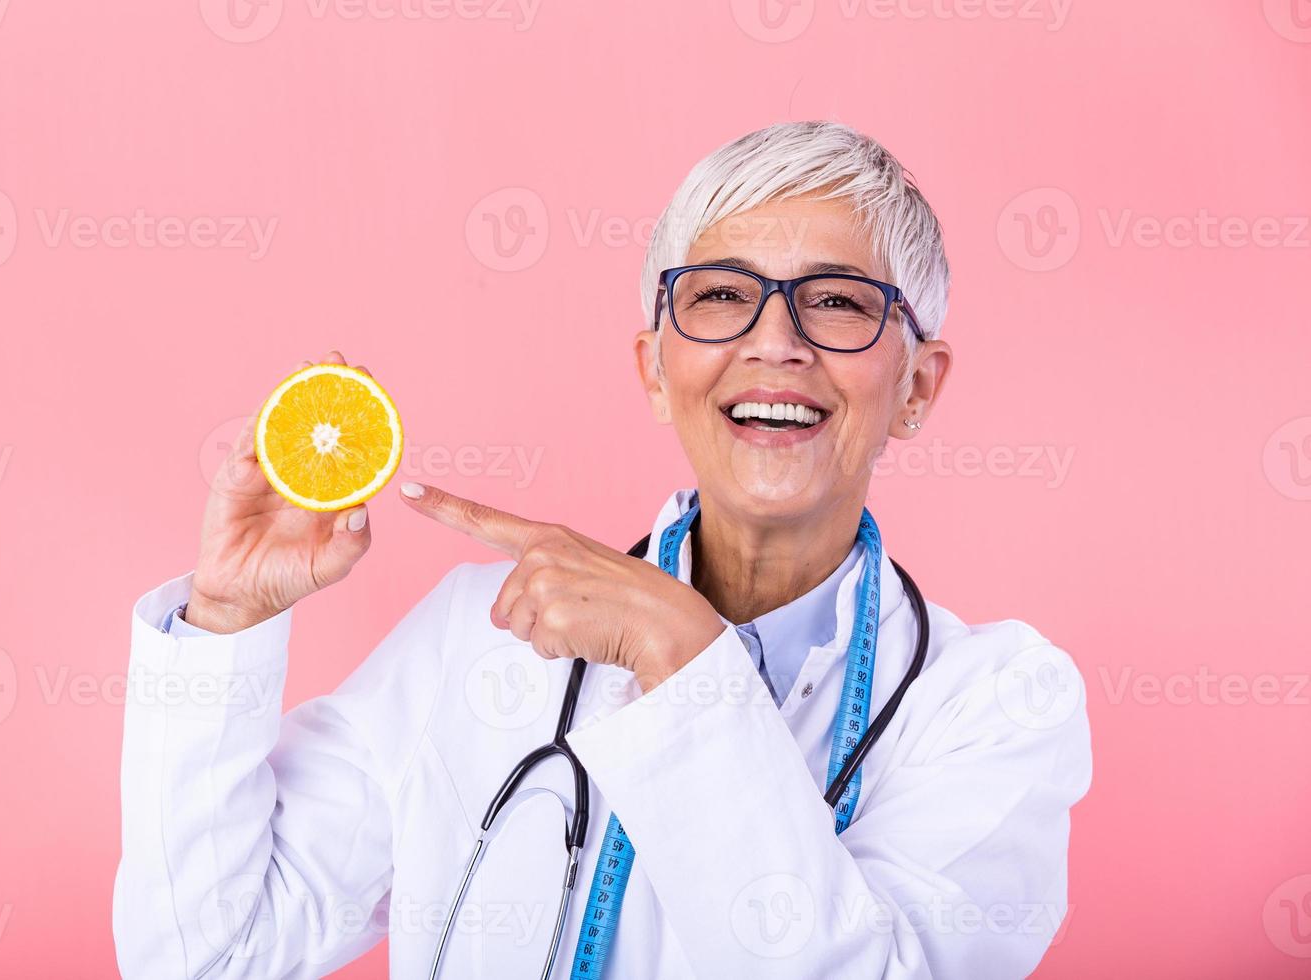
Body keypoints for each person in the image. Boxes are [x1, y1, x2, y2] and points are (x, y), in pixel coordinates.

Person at [113, 120, 1091, 979]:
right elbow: (204, 954)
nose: (775, 341)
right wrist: (225, 624)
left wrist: (684, 654)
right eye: (720, 295)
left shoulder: (997, 701)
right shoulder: (476, 635)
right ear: (657, 369)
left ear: (918, 385)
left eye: (837, 301)